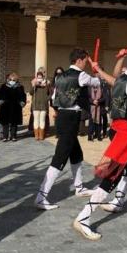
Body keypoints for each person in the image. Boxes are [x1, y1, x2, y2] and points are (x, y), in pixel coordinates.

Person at [72, 53, 127, 241]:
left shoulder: (121, 80)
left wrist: (102, 67)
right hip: (125, 134)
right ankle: (83, 217)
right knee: (112, 177)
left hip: (122, 131)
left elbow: (110, 77)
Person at [35, 48, 99, 210]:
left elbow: (55, 98)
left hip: (63, 116)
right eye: (85, 60)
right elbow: (98, 82)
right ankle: (41, 197)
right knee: (60, 158)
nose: (86, 63)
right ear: (79, 60)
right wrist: (96, 69)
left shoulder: (59, 76)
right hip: (71, 118)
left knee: (77, 154)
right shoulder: (81, 75)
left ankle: (79, 187)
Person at [0, 73, 26, 142]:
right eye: (11, 79)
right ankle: (5, 136)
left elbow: (23, 96)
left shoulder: (20, 87)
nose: (12, 81)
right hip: (5, 106)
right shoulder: (3, 86)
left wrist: (22, 102)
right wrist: (0, 100)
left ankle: (13, 136)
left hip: (16, 107)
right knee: (5, 123)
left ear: (16, 80)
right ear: (8, 79)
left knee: (14, 123)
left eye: (14, 79)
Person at [31, 71, 50, 141]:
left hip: (44, 105)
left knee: (42, 120)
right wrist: (33, 85)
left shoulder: (46, 85)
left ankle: (41, 135)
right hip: (36, 105)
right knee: (36, 120)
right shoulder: (35, 85)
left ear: (43, 78)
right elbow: (30, 93)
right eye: (38, 78)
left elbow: (50, 93)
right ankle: (36, 135)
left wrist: (47, 99)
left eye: (41, 78)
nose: (39, 80)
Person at [88, 72, 104, 141]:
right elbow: (87, 97)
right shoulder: (89, 87)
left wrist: (98, 101)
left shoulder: (102, 86)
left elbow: (105, 97)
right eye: (96, 74)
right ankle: (90, 135)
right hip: (91, 107)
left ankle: (98, 135)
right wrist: (92, 101)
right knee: (91, 122)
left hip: (99, 107)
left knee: (99, 122)